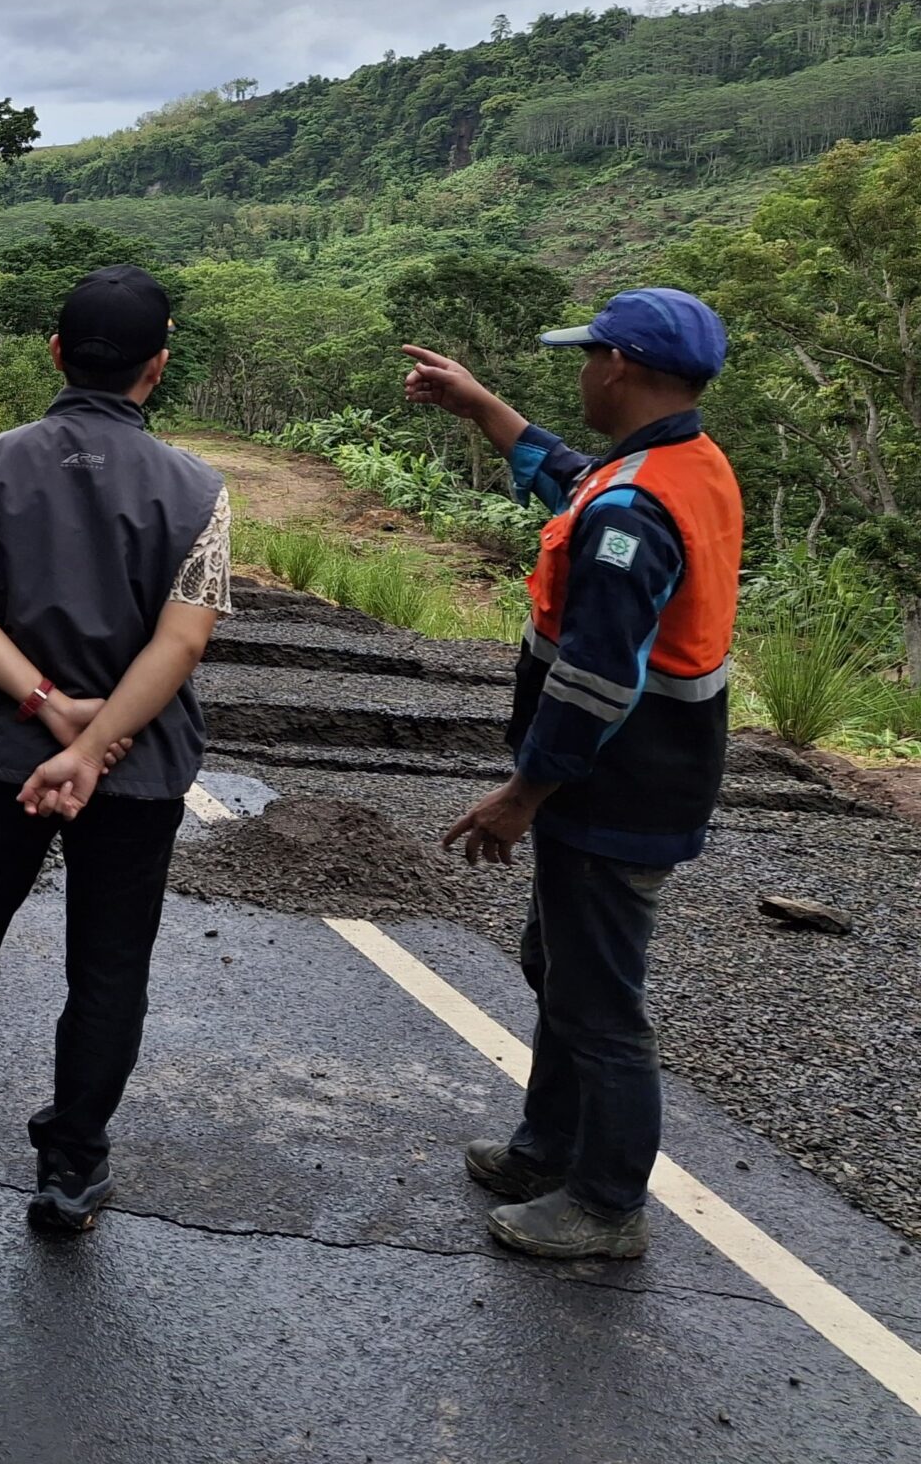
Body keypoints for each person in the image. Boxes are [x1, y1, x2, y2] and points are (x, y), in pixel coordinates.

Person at [0, 264, 230, 1234]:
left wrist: (48, 711)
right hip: (138, 773)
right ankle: (70, 1168)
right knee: (108, 965)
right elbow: (182, 640)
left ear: (55, 350)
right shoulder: (200, 491)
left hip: (2, 756)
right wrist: (100, 742)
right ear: (158, 363)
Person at [402, 288, 740, 1262]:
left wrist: (520, 796)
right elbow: (570, 479)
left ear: (620, 368)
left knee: (598, 1000)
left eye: (588, 357)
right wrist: (481, 406)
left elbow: (594, 681)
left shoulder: (635, 510)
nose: (581, 372)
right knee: (558, 966)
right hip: (639, 783)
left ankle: (604, 1203)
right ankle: (545, 1146)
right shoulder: (680, 462)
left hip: (616, 791)